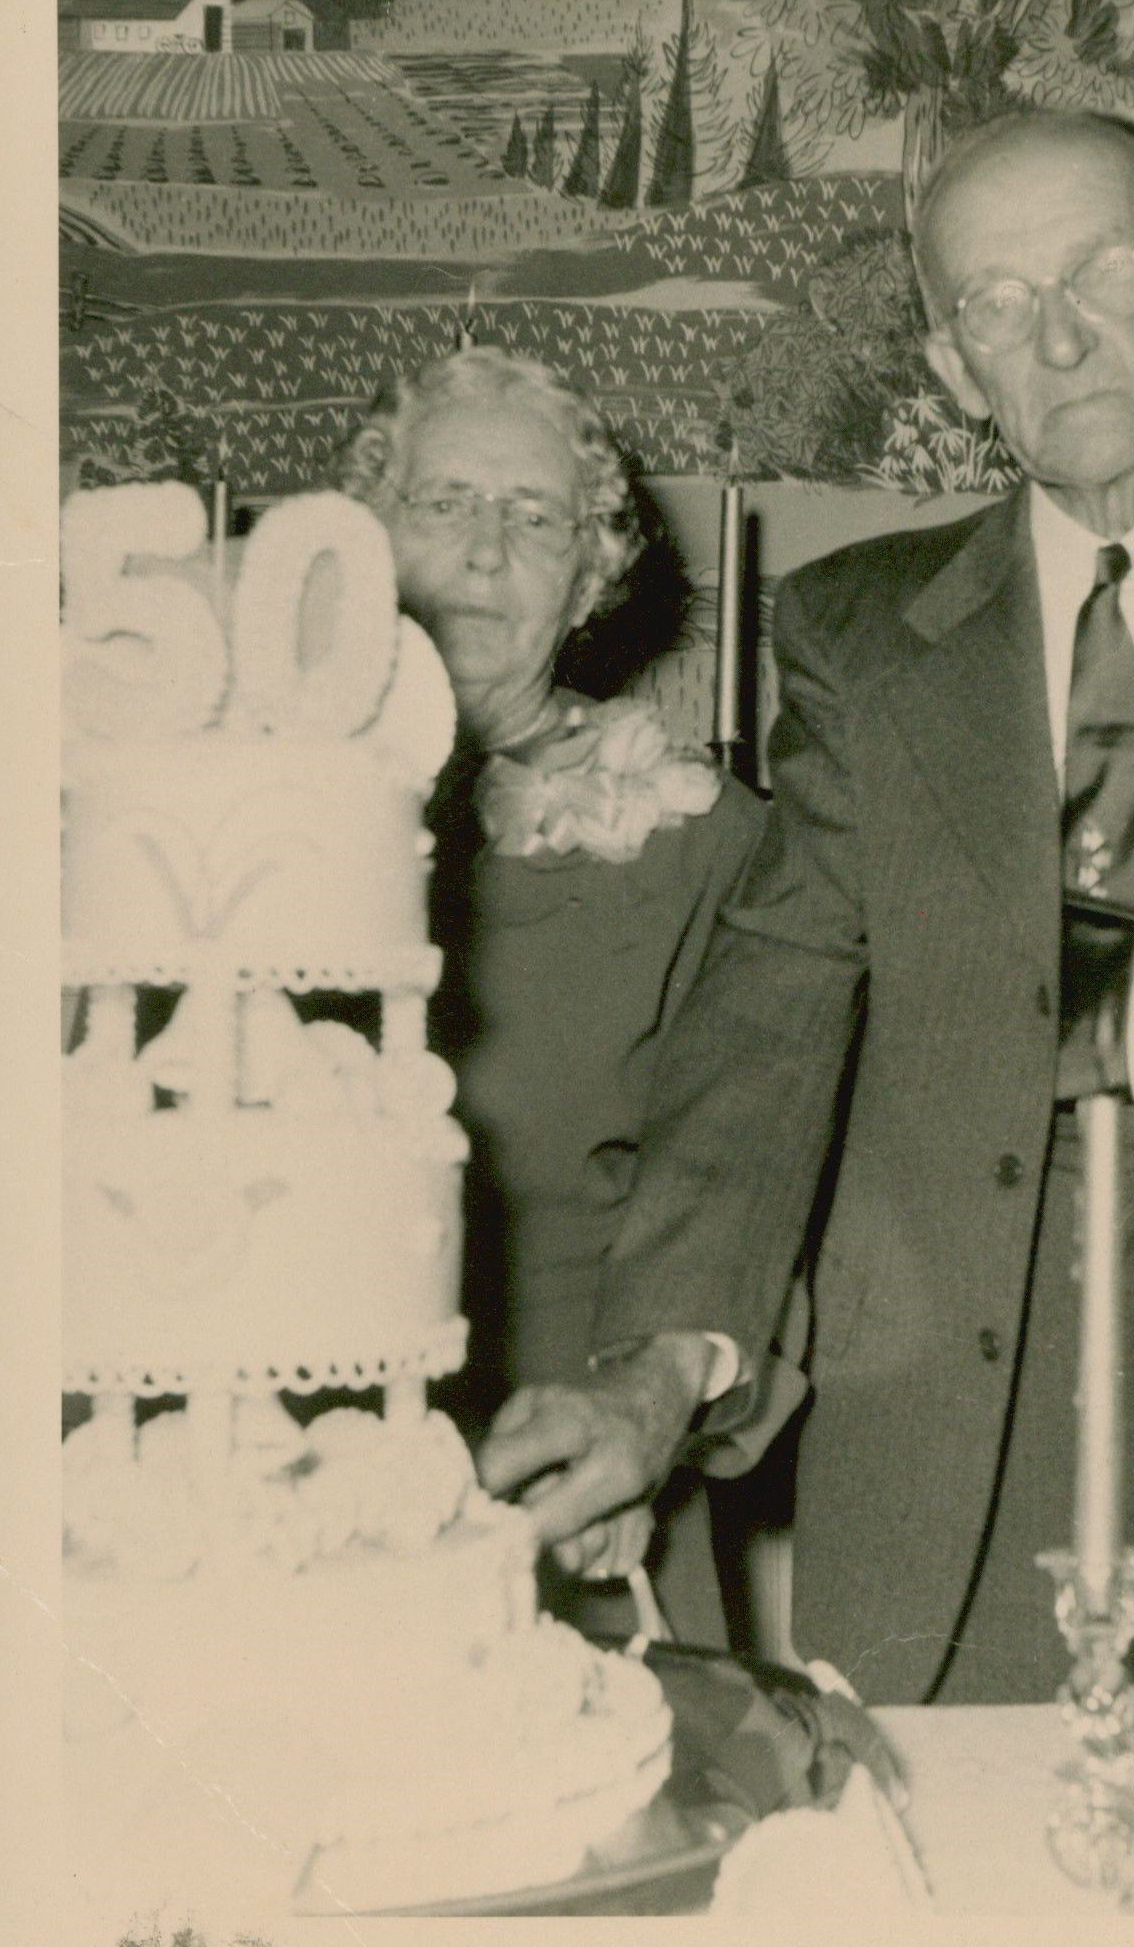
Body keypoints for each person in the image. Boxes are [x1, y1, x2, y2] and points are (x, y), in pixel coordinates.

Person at [475, 111, 1134, 1705]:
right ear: (955, 368)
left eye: (1101, 274)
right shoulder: (862, 634)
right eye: (996, 304)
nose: (1056, 338)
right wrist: (664, 1361)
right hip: (978, 1360)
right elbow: (771, 1008)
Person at [336, 348, 770, 1645]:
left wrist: (648, 1428)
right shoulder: (261, 815)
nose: (484, 552)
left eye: (534, 519)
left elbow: (759, 1190)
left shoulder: (702, 843)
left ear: (589, 578)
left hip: (580, 1497)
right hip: (282, 1497)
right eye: (444, 504)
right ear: (366, 537)